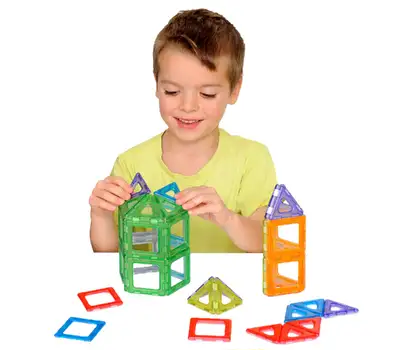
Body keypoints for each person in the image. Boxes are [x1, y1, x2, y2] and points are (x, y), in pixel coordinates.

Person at [89, 8, 277, 253]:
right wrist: (101, 215)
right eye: (172, 91)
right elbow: (109, 253)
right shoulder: (130, 163)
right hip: (153, 279)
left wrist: (227, 218)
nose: (188, 106)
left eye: (207, 94)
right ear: (157, 84)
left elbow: (266, 242)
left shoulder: (252, 158)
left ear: (234, 90)